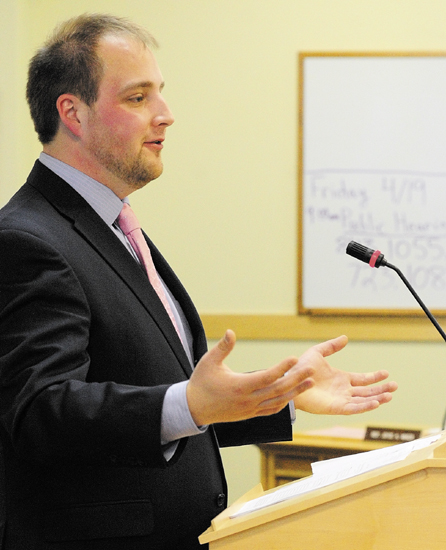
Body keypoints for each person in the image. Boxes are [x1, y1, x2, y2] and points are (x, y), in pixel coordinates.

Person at [0, 13, 397, 550]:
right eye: (138, 98)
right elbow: (40, 414)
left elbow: (161, 399)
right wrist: (189, 403)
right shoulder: (27, 238)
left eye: (159, 94)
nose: (165, 115)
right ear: (72, 112)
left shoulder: (112, 225)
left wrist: (280, 395)